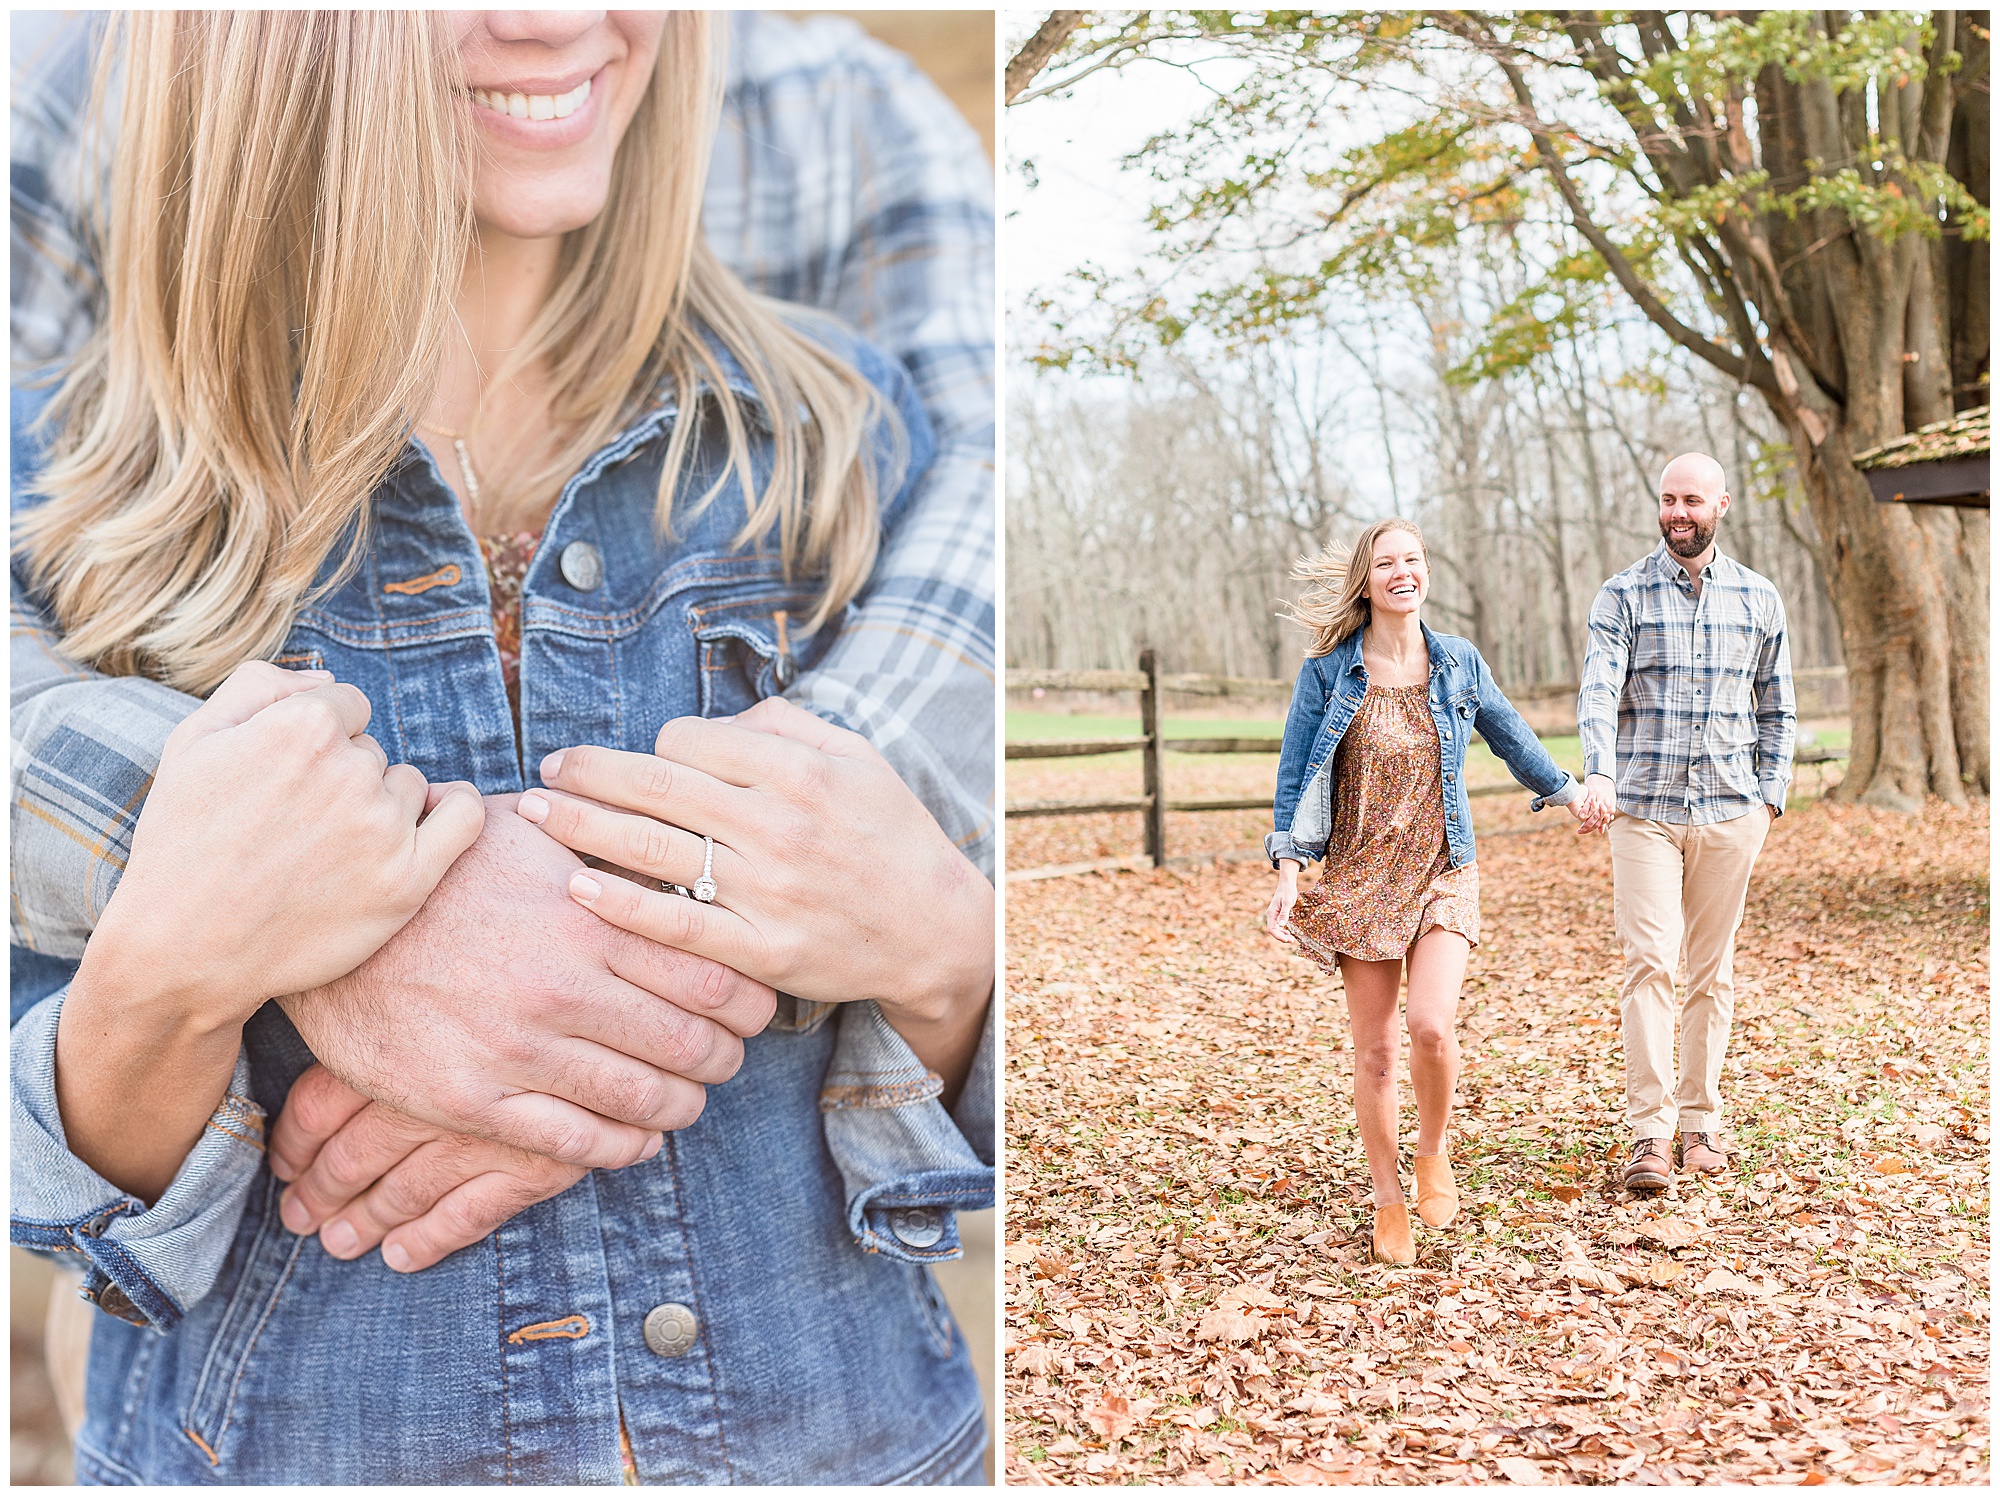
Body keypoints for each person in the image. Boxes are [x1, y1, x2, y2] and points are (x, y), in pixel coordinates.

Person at [10, 11, 996, 1484]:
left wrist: (945, 950)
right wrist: (200, 946)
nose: (549, 17)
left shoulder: (834, 437)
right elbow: (86, 1171)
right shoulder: (98, 506)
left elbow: (922, 1083)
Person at [1263, 517, 1608, 1264]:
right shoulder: (1328, 672)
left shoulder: (1457, 662)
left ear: (1427, 570)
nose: (1402, 572)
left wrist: (1568, 792)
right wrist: (1290, 869)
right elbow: (1295, 773)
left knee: (1431, 1026)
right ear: (1368, 579)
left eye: (1413, 559)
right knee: (1377, 1053)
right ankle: (1389, 1198)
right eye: (1386, 563)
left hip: (1444, 868)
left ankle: (1433, 1150)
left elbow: (1511, 736)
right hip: (1359, 876)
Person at [1574, 452, 1794, 1196]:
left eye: (1691, 500)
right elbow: (1599, 690)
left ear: (1721, 505)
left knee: (1712, 971)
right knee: (1650, 962)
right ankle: (1650, 1134)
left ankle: (1701, 1120)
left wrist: (1770, 796)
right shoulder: (1622, 595)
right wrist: (1599, 771)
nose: (1677, 512)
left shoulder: (1759, 597)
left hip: (1733, 811)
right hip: (1644, 810)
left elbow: (1777, 706)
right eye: (1667, 499)